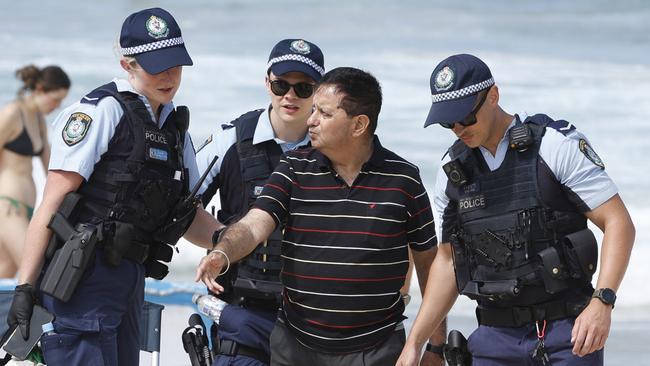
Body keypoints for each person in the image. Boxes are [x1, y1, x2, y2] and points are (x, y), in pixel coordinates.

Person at [5, 8, 223, 366]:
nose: (169, 76)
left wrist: (232, 241)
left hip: (131, 278)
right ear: (128, 64)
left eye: (175, 64)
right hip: (82, 277)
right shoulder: (102, 112)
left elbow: (190, 217)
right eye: (156, 65)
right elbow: (52, 202)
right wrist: (25, 288)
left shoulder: (174, 130)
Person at [396, 54, 635, 366]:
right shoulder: (451, 170)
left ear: (493, 95)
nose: (457, 128)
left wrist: (603, 302)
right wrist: (415, 343)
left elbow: (618, 222)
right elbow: (447, 262)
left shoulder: (553, 145)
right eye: (447, 121)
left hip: (567, 334)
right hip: (493, 338)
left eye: (466, 117)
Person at [197, 67, 446, 366]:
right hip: (295, 346)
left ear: (359, 125)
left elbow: (430, 266)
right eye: (313, 109)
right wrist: (223, 252)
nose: (311, 120)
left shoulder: (404, 180)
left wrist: (434, 346)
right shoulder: (293, 168)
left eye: (324, 114)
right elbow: (253, 225)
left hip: (377, 349)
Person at [196, 38, 324, 366]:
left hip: (313, 321)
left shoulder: (335, 149)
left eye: (303, 88)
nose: (290, 96)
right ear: (267, 82)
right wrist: (226, 241)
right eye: (281, 85)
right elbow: (179, 208)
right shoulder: (230, 140)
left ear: (320, 91)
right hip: (241, 313)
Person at [0, 65, 70, 278]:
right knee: (35, 271)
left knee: (5, 271)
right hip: (7, 206)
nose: (56, 106)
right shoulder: (13, 113)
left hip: (26, 208)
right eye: (55, 99)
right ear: (40, 89)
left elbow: (51, 167)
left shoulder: (39, 121)